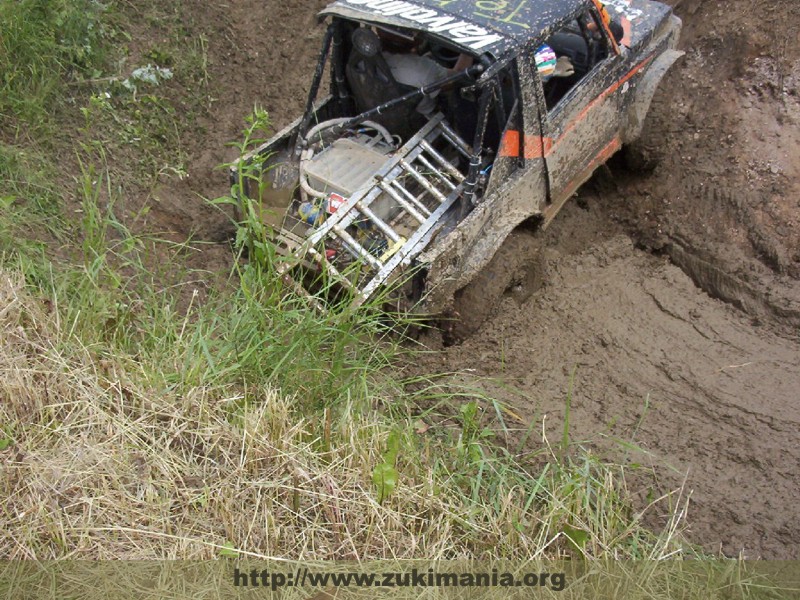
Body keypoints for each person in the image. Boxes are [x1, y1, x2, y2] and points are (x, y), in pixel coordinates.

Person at [378, 29, 473, 116]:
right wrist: (469, 48)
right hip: (422, 116)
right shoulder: (424, 70)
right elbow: (459, 76)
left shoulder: (370, 55)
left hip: (383, 101)